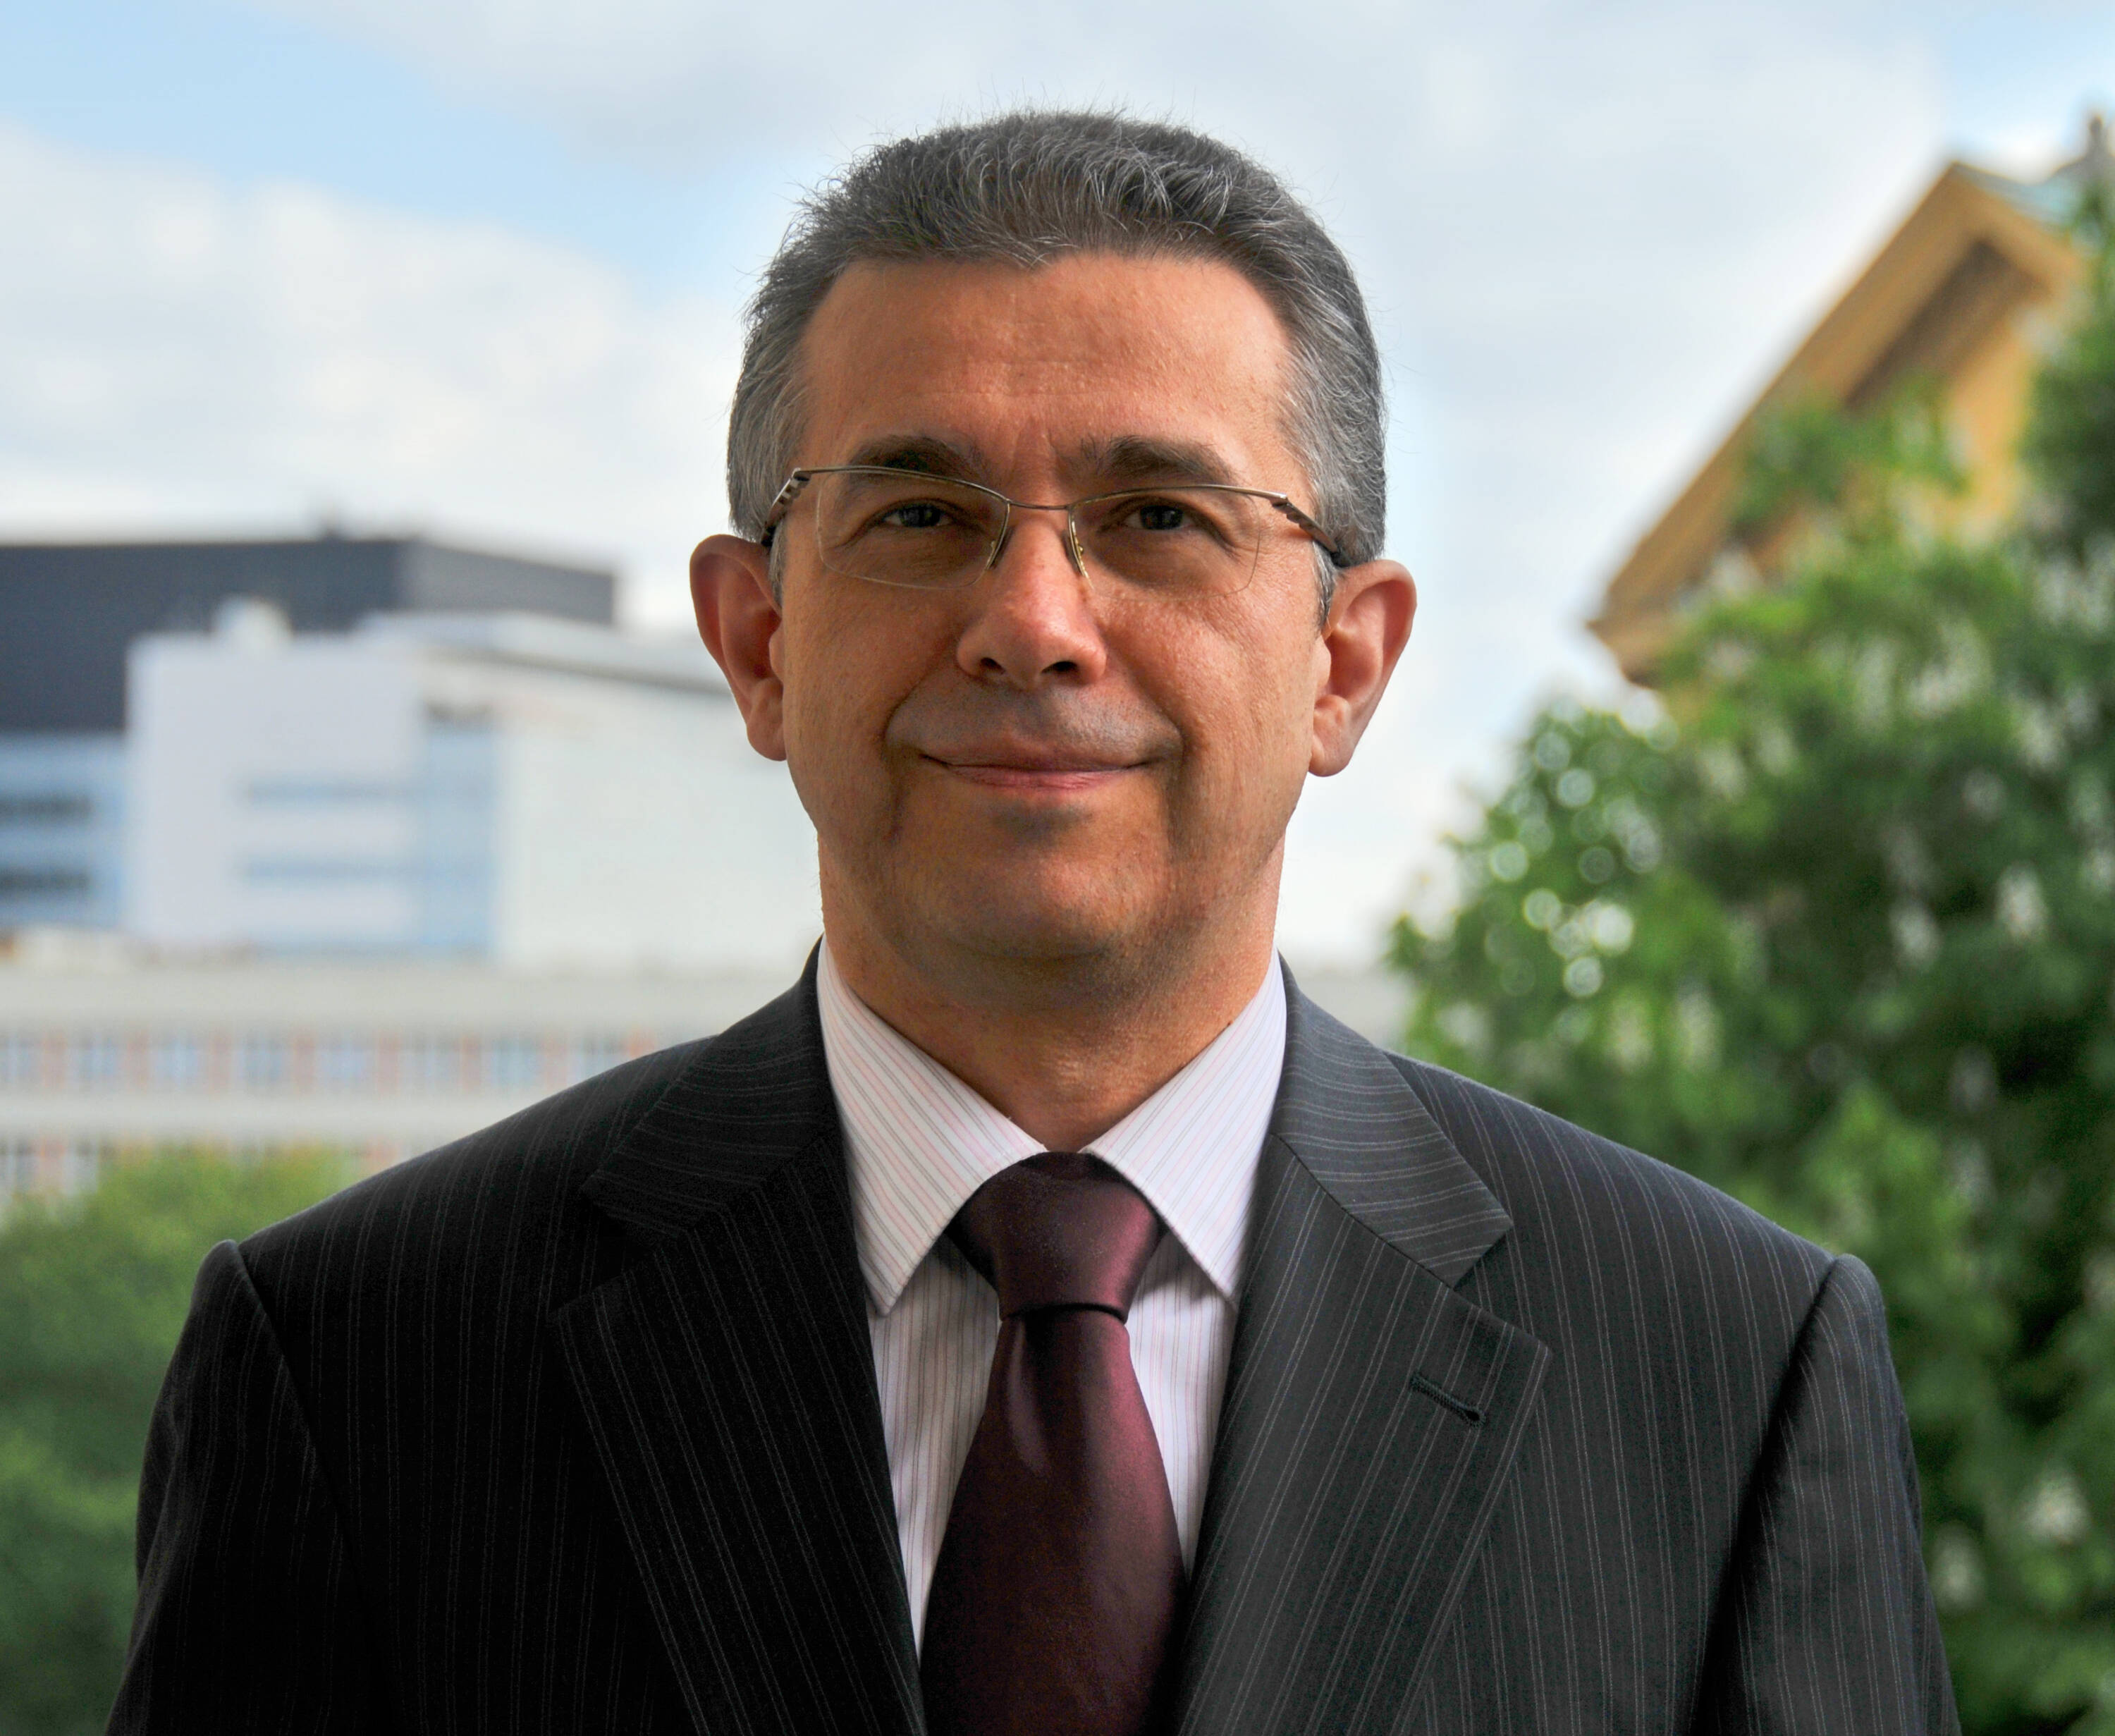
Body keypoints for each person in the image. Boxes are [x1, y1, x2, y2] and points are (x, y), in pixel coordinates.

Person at [109, 111, 1956, 1735]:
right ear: (759, 640)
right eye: (923, 515)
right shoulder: (356, 1363)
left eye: (1159, 516)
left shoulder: (1722, 1371)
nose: (1034, 622)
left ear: (1342, 662)